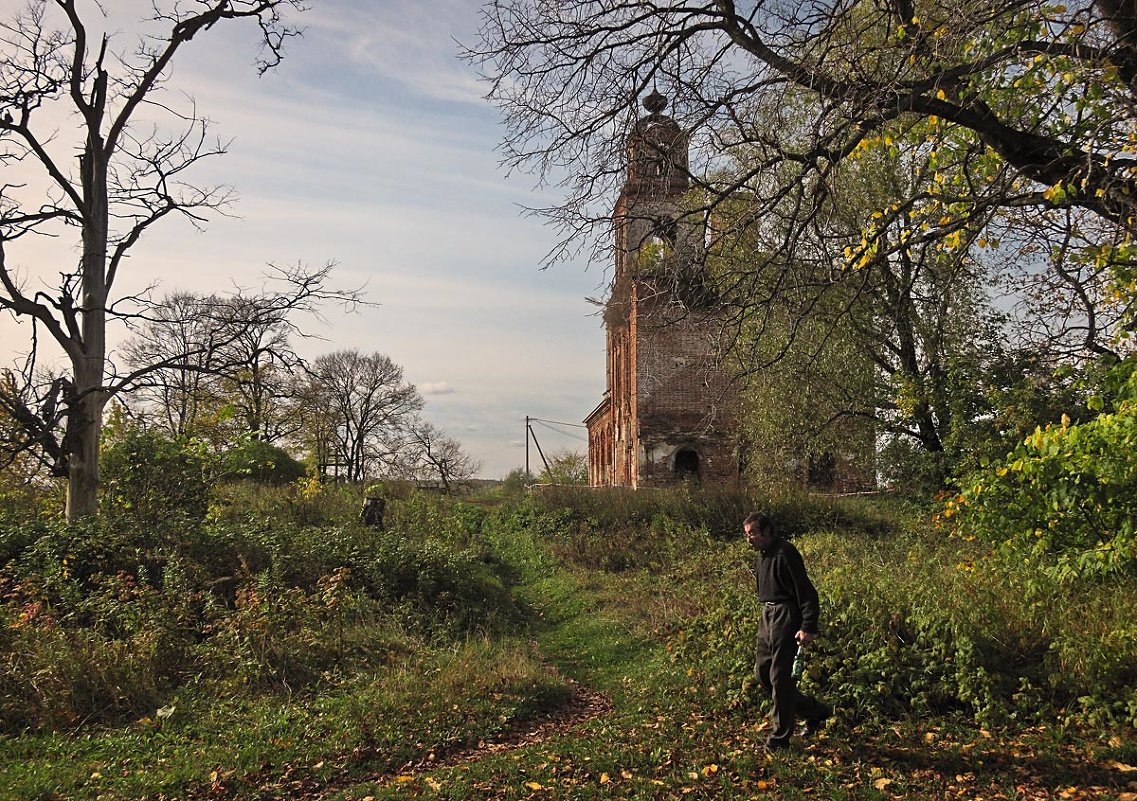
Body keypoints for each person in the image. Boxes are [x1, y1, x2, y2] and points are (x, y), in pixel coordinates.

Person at [744, 511, 831, 751]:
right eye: (747, 535)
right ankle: (816, 712)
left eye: (753, 534)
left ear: (767, 531)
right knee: (762, 673)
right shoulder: (762, 555)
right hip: (767, 615)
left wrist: (807, 626)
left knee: (781, 678)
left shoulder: (786, 552)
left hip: (786, 616)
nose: (749, 539)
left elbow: (807, 592)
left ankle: (779, 739)